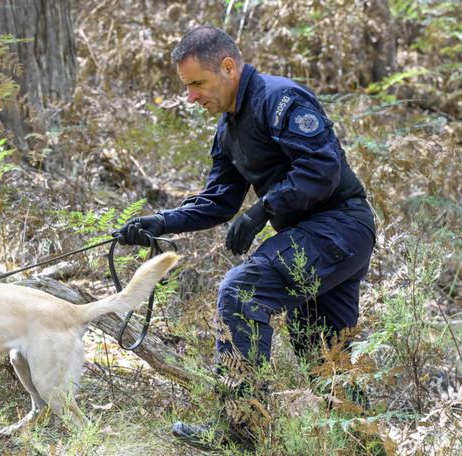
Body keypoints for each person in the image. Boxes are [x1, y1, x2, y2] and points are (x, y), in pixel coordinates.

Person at [115, 25, 376, 450]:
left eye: (197, 83)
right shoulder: (228, 129)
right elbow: (219, 199)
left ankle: (239, 432)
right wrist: (159, 223)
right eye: (187, 87)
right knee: (323, 356)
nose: (192, 96)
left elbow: (322, 168)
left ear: (229, 66)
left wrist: (262, 210)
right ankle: (366, 445)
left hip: (339, 227)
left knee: (241, 291)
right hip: (314, 237)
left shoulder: (280, 99)